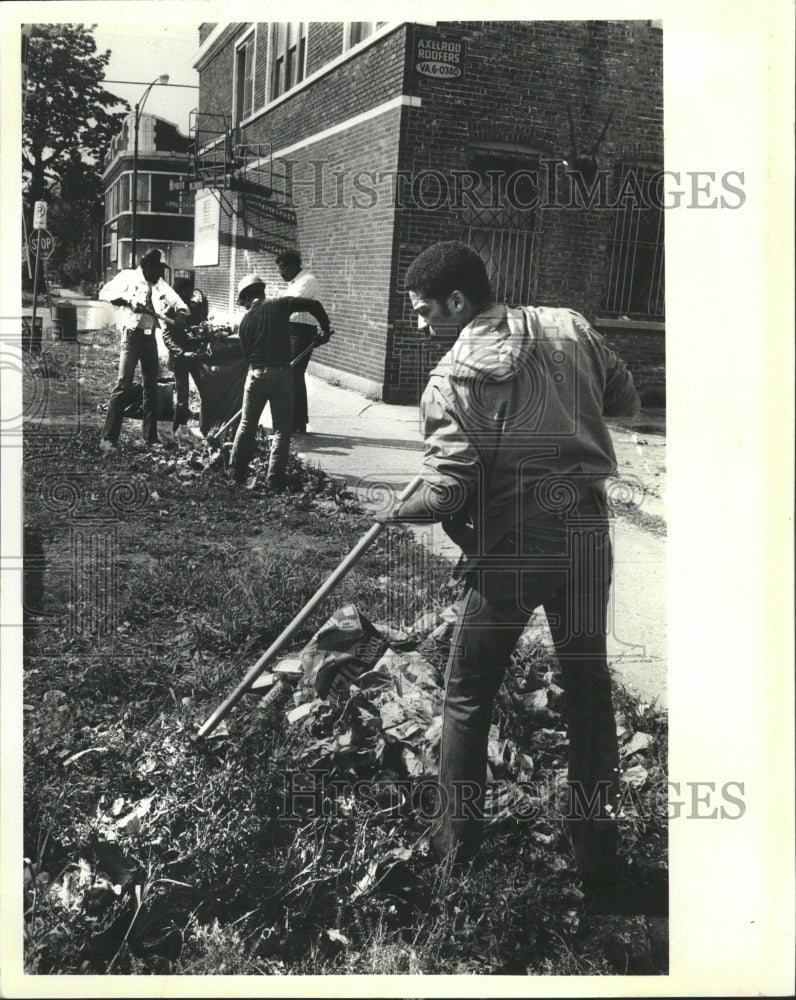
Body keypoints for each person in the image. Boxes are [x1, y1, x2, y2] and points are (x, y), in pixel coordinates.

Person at [380, 241, 663, 915]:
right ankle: (601, 869)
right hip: (586, 534)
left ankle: (455, 857)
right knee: (589, 694)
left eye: (425, 312)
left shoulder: (450, 380)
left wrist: (400, 507)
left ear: (458, 302)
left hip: (511, 547)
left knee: (468, 697)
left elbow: (448, 493)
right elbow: (624, 398)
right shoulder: (570, 325)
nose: (422, 326)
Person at [230, 273, 332, 489]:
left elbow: (248, 357)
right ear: (262, 290)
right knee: (281, 430)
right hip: (282, 375)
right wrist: (325, 327)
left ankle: (235, 473)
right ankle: (274, 480)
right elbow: (313, 304)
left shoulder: (244, 322)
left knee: (246, 424)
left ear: (247, 297)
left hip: (255, 374)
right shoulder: (280, 304)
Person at [98, 249, 188, 452]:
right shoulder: (128, 277)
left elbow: (178, 301)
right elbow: (105, 293)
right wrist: (129, 300)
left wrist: (181, 312)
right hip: (131, 338)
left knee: (151, 388)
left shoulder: (159, 284)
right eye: (158, 269)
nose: (160, 274)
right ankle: (108, 439)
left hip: (150, 340)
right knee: (123, 385)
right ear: (147, 265)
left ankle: (150, 436)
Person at [275, 250, 324, 434]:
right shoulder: (294, 283)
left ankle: (298, 421)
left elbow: (290, 304)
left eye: (282, 269)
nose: (281, 273)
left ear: (294, 266)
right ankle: (294, 419)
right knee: (289, 374)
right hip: (290, 330)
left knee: (294, 373)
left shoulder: (307, 280)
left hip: (301, 331)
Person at [162, 276, 208, 434]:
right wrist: (181, 352)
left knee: (206, 391)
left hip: (195, 356)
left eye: (190, 292)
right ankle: (178, 431)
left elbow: (201, 326)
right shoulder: (170, 310)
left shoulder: (194, 306)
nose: (188, 295)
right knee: (182, 398)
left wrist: (204, 313)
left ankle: (206, 427)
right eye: (185, 293)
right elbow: (166, 336)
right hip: (180, 358)